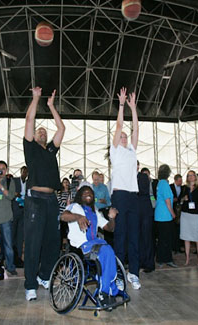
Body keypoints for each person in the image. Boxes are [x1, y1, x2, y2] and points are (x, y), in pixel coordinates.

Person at [23, 87, 65, 301]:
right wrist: (36, 99)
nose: (43, 132)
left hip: (51, 200)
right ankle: (30, 284)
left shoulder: (50, 150)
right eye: (40, 131)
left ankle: (44, 276)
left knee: (52, 241)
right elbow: (29, 120)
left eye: (44, 132)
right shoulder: (30, 148)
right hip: (35, 200)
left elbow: (61, 128)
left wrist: (50, 106)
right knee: (33, 243)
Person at [61, 186, 118, 307]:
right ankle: (104, 291)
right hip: (81, 245)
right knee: (106, 250)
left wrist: (112, 218)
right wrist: (78, 217)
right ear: (80, 195)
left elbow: (109, 228)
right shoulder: (75, 207)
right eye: (85, 193)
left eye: (91, 193)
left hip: (95, 244)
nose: (88, 194)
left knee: (109, 250)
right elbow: (63, 216)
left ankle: (108, 285)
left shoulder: (95, 211)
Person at [109, 87, 141, 290]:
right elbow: (120, 124)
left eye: (125, 137)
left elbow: (136, 129)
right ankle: (119, 274)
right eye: (121, 136)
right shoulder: (115, 151)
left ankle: (134, 273)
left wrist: (134, 108)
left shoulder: (131, 151)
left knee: (134, 236)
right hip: (119, 195)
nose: (124, 137)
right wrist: (121, 105)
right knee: (120, 236)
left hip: (133, 196)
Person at [154, 164, 177, 268]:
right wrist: (173, 213)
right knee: (166, 239)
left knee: (162, 238)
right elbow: (168, 201)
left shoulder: (159, 183)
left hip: (159, 215)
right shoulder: (165, 184)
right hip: (165, 215)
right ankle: (166, 259)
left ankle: (161, 259)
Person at [180, 170, 198, 266]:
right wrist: (183, 199)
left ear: (195, 177)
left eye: (192, 175)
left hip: (196, 215)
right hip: (186, 214)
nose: (190, 177)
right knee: (186, 237)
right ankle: (187, 258)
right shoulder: (184, 188)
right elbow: (179, 200)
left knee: (197, 238)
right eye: (189, 175)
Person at [138, 166, 155, 272]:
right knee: (139, 238)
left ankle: (149, 264)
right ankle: (141, 261)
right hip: (136, 212)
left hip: (145, 211)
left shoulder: (143, 177)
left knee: (147, 238)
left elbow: (143, 191)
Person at [12, 166, 28, 267]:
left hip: (24, 211)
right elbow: (9, 192)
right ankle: (9, 256)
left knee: (20, 236)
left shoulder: (29, 183)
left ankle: (18, 257)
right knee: (12, 234)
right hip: (14, 210)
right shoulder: (14, 181)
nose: (25, 173)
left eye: (26, 172)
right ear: (21, 171)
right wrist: (15, 194)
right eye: (23, 171)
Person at [170, 174, 184, 254]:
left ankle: (179, 246)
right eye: (179, 181)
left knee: (179, 229)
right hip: (173, 210)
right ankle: (173, 246)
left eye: (181, 181)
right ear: (175, 180)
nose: (181, 182)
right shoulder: (170, 187)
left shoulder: (183, 188)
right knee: (173, 230)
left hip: (180, 211)